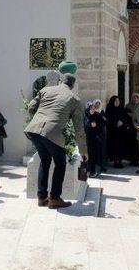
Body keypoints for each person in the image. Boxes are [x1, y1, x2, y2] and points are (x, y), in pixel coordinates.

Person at [25, 73, 87, 209]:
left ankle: (41, 197)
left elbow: (30, 107)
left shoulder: (45, 90)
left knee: (45, 160)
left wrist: (39, 118)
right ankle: (54, 198)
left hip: (34, 129)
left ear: (60, 81)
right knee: (60, 163)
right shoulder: (74, 99)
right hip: (52, 132)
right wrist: (83, 151)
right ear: (72, 85)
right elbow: (79, 129)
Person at [106, 96, 129, 168]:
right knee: (114, 147)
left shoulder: (122, 109)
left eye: (118, 101)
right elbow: (108, 119)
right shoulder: (109, 109)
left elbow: (126, 118)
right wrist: (116, 122)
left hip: (121, 132)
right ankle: (115, 161)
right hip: (113, 132)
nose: (117, 102)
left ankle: (120, 160)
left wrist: (122, 122)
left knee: (121, 147)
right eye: (115, 101)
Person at [84, 101, 104, 177]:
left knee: (93, 156)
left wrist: (96, 126)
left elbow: (101, 127)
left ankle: (92, 172)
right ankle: (87, 171)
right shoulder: (86, 116)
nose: (92, 110)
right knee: (87, 156)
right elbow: (84, 127)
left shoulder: (97, 116)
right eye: (91, 108)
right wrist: (90, 126)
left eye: (94, 108)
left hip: (94, 139)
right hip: (87, 139)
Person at [124, 93, 139, 166]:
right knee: (131, 145)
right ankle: (131, 160)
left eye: (137, 97)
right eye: (134, 97)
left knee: (138, 145)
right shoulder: (128, 106)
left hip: (138, 128)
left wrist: (133, 115)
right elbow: (125, 115)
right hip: (130, 128)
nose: (135, 99)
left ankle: (137, 160)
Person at [93, 99, 108, 172]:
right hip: (94, 133)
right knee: (95, 150)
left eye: (99, 104)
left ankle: (103, 166)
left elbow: (105, 121)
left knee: (102, 150)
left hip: (102, 133)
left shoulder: (102, 112)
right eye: (96, 104)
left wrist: (103, 118)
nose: (97, 105)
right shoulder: (92, 112)